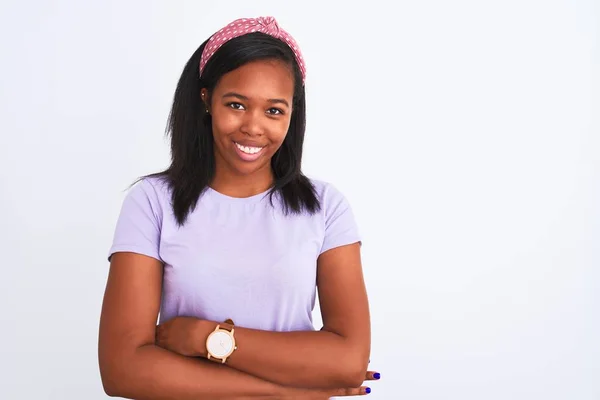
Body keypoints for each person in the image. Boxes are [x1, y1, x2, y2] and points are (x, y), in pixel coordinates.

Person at [98, 16, 379, 399]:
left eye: (274, 111)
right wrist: (288, 393)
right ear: (206, 99)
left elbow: (347, 361)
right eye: (237, 104)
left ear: (292, 113)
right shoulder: (152, 202)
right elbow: (123, 371)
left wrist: (206, 337)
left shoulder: (326, 208)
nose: (253, 127)